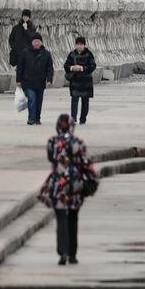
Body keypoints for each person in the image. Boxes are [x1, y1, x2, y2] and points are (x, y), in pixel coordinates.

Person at [37, 112, 98, 265]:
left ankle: (62, 251)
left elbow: (51, 158)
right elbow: (86, 163)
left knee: (61, 218)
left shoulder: (52, 142)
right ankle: (72, 253)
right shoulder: (78, 143)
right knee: (73, 218)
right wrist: (92, 180)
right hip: (74, 185)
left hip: (58, 184)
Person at [18, 34, 54, 125]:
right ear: (32, 42)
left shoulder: (46, 54)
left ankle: (37, 118)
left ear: (41, 42)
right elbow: (20, 67)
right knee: (32, 99)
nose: (36, 43)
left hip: (40, 82)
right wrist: (18, 80)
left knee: (39, 101)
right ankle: (31, 118)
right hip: (28, 81)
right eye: (35, 41)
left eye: (38, 41)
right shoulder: (25, 52)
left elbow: (49, 68)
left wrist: (49, 79)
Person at [63, 36, 96, 125]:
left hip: (86, 82)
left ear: (84, 45)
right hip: (75, 81)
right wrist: (72, 67)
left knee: (85, 102)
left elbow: (93, 66)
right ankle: (73, 118)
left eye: (81, 44)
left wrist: (81, 68)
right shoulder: (72, 54)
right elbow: (66, 66)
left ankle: (83, 119)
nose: (79, 46)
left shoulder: (89, 54)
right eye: (78, 44)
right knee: (74, 100)